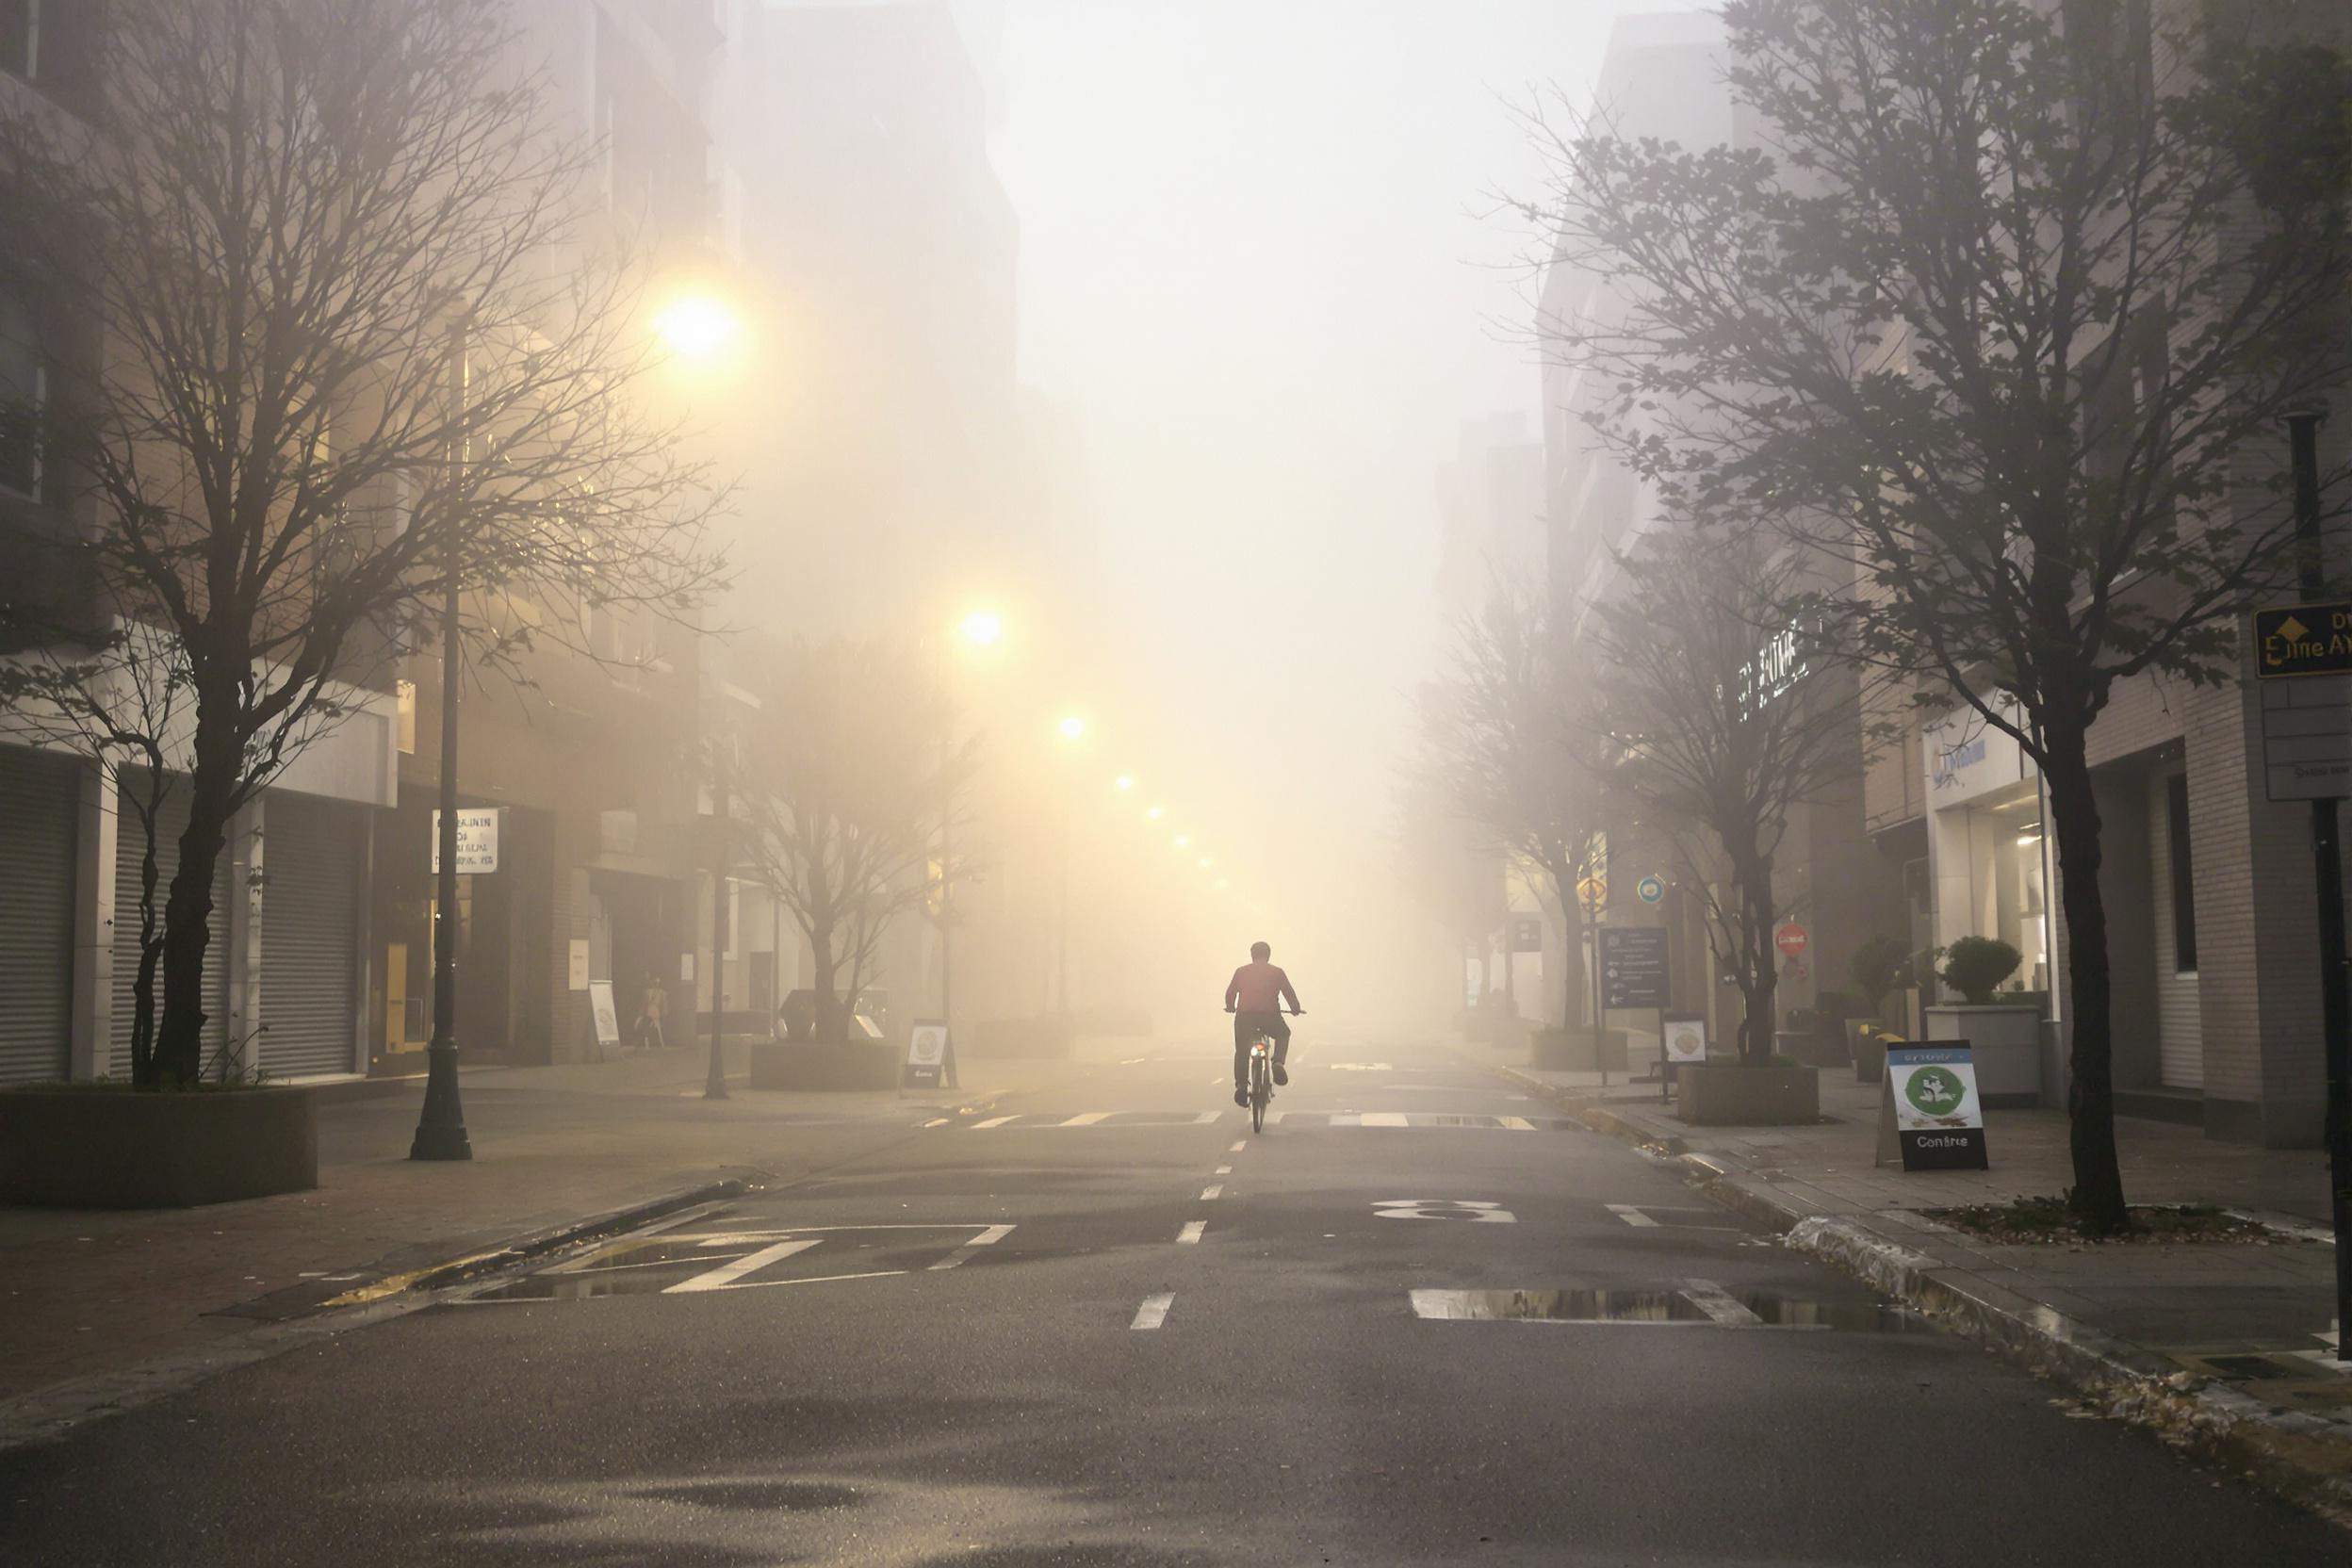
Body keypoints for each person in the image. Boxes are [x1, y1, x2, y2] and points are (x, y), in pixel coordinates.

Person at [1223, 940, 1302, 1106]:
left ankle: (1242, 1086)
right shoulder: (1277, 972)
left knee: (1242, 1051)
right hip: (1270, 1017)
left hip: (1245, 1018)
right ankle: (1278, 1062)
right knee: (1283, 1034)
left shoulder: (1241, 971)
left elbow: (1230, 993)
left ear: (1252, 955)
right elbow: (1289, 993)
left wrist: (1231, 1007)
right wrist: (1295, 1008)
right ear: (1268, 955)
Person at [636, 972, 667, 1053]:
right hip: (655, 1012)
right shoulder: (662, 993)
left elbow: (644, 1004)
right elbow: (664, 1004)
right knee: (656, 1028)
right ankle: (661, 1044)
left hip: (648, 1012)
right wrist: (664, 1013)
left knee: (646, 1027)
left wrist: (640, 1014)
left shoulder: (647, 992)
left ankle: (647, 1045)